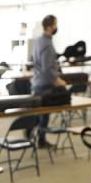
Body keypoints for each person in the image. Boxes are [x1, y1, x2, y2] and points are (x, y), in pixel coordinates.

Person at [31, 15, 67, 147]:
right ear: (50, 26)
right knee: (44, 114)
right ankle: (40, 139)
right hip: (44, 84)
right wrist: (56, 79)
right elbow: (47, 67)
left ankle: (34, 135)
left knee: (40, 112)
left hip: (37, 82)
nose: (56, 27)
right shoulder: (46, 43)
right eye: (55, 24)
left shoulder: (40, 41)